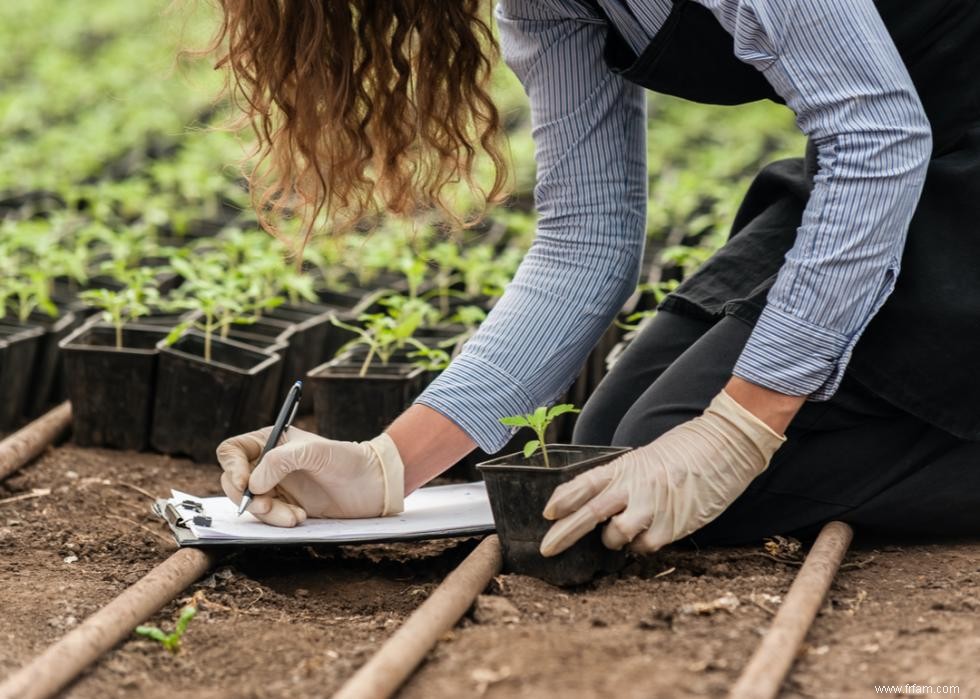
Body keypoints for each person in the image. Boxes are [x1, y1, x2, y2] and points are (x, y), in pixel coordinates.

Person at [213, 0, 980, 556]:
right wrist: (384, 467)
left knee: (686, 456)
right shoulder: (545, 7)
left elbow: (876, 135)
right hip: (918, 159)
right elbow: (588, 237)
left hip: (899, 160)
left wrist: (738, 430)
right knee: (607, 447)